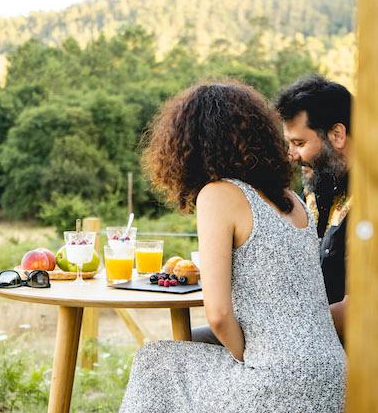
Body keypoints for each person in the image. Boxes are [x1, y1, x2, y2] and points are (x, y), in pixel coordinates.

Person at [120, 81, 345, 413]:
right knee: (184, 354)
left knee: (154, 362)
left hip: (279, 384)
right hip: (337, 379)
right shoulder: (292, 199)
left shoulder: (218, 194)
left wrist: (248, 358)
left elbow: (219, 315)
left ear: (188, 145)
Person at [191, 74, 352, 345]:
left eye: (299, 143)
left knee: (180, 352)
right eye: (288, 143)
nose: (291, 155)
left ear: (337, 134)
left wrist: (275, 327)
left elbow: (358, 312)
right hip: (294, 333)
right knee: (185, 341)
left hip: (332, 346)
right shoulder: (314, 189)